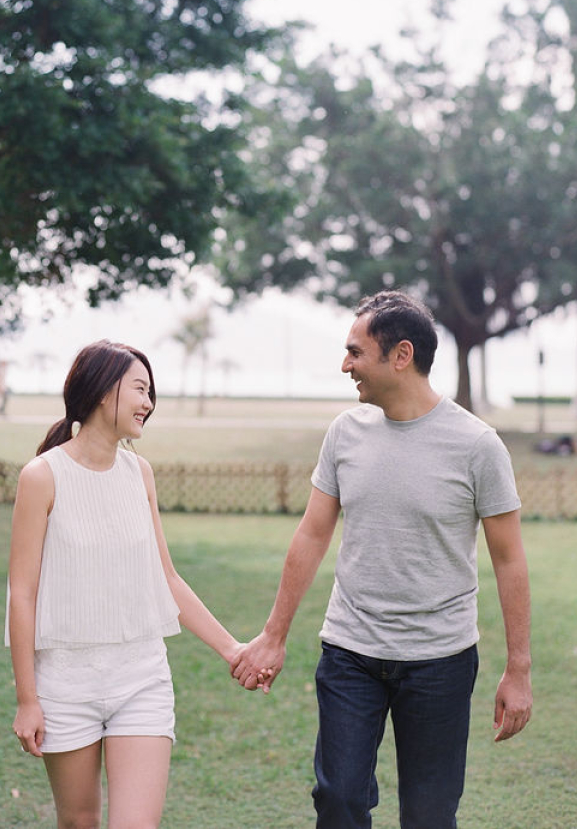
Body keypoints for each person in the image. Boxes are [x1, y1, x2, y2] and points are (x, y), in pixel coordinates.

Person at [231, 290, 532, 829]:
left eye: (355, 352)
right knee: (338, 799)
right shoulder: (345, 433)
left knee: (429, 815)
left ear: (401, 355)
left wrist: (519, 669)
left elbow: (509, 559)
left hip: (440, 658)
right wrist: (274, 634)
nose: (345, 365)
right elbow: (312, 535)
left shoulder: (477, 445)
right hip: (351, 651)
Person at [6, 339, 245, 829]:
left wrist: (233, 650)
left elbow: (166, 578)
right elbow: (22, 595)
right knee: (79, 821)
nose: (148, 403)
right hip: (65, 684)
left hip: (141, 678)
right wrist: (28, 700)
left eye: (150, 392)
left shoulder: (140, 473)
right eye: (139, 389)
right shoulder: (42, 476)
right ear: (101, 391)